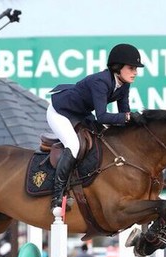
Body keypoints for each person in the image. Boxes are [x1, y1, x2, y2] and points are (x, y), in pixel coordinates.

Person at [47, 43, 146, 210]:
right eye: (131, 68)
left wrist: (134, 123)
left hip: (80, 113)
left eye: (136, 68)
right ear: (118, 67)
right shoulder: (101, 81)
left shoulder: (124, 84)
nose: (135, 72)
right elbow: (102, 116)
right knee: (74, 145)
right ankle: (57, 196)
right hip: (60, 112)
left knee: (101, 139)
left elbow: (124, 112)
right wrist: (128, 117)